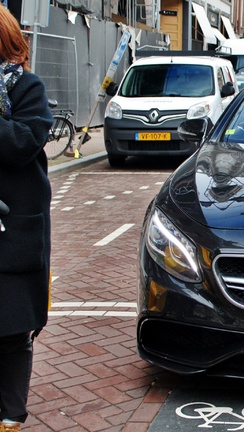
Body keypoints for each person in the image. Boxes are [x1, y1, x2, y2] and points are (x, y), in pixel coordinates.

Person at [0, 6, 53, 431]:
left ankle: (10, 415)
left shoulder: (26, 88)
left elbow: (23, 141)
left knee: (13, 329)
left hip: (13, 230)